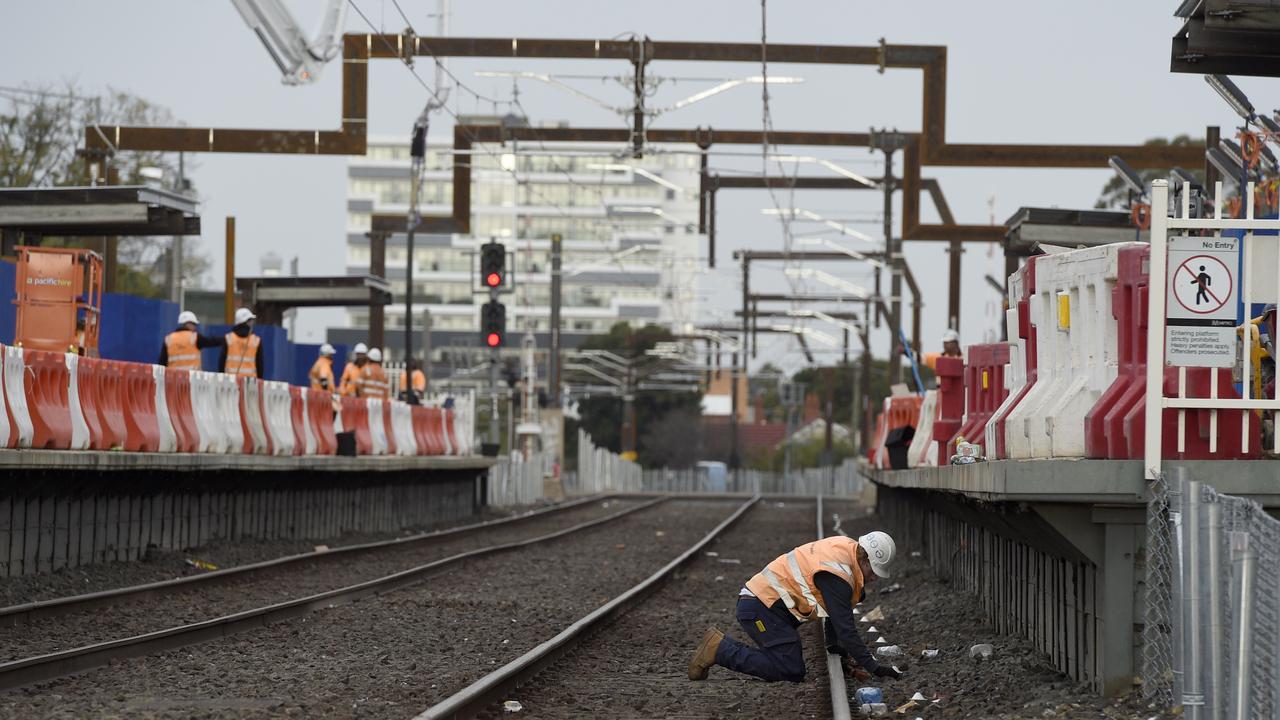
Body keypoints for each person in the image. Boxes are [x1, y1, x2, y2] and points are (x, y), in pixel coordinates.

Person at [687, 531, 904, 685]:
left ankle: (720, 647)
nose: (874, 578)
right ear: (865, 559)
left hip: (767, 606)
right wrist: (874, 667)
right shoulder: (839, 575)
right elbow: (845, 627)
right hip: (761, 608)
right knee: (790, 670)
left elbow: (834, 610)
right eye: (874, 571)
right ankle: (720, 649)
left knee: (788, 660)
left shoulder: (844, 549)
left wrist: (835, 648)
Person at [218, 307, 264, 378]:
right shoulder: (256, 340)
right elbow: (260, 364)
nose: (252, 323)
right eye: (251, 320)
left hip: (230, 381)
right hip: (250, 383)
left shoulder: (228, 338)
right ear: (247, 321)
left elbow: (221, 363)